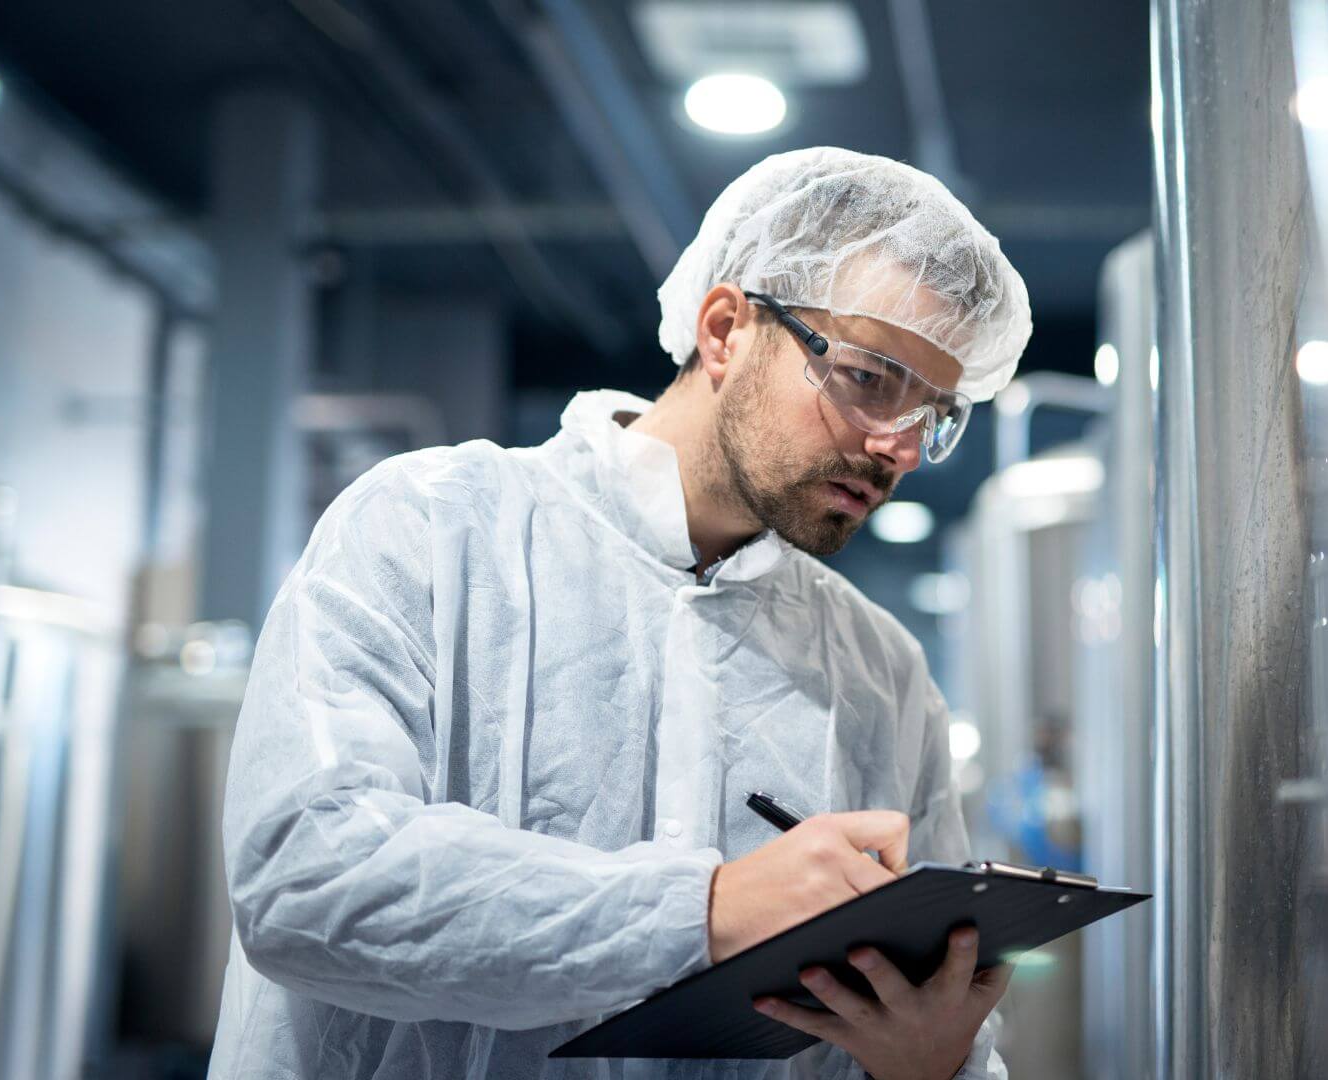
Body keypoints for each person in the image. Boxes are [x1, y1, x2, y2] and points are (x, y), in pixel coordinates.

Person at [208, 147, 1033, 1079]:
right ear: (725, 330)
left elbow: (930, 1016)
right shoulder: (432, 526)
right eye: (871, 379)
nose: (900, 448)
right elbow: (307, 881)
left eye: (934, 415)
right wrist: (708, 911)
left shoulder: (878, 669)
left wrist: (929, 1066)